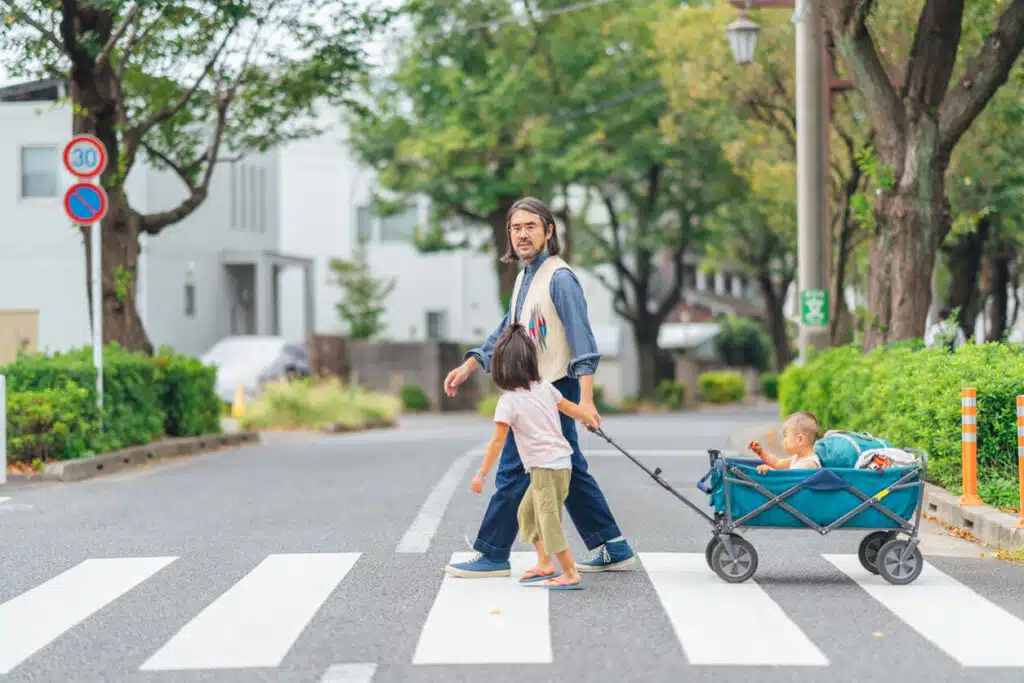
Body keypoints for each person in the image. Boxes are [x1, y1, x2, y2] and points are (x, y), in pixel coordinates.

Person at [442, 196, 636, 578]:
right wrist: (470, 364)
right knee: (568, 465)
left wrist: (586, 400)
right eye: (515, 228)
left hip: (552, 388)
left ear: (549, 231)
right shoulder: (524, 278)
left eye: (531, 226)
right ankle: (612, 544)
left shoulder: (560, 279)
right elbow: (505, 330)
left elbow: (582, 341)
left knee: (515, 468)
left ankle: (494, 552)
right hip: (536, 391)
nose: (522, 234)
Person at [470, 322, 600, 589]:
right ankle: (545, 563)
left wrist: (481, 474)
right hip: (560, 464)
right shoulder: (545, 388)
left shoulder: (508, 402)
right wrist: (588, 416)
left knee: (548, 519)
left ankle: (570, 572)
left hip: (545, 469)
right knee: (528, 514)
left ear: (500, 368)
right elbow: (570, 408)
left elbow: (497, 443)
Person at [747, 411, 822, 474]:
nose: (783, 440)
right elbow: (777, 463)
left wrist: (771, 472)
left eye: (786, 436)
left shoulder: (808, 464)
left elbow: (789, 478)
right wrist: (761, 452)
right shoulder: (797, 457)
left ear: (800, 439)